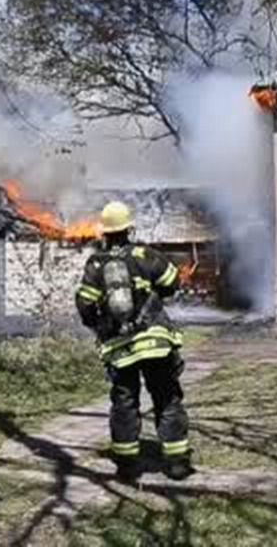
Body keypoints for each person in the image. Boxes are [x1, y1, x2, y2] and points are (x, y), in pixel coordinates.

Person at [74, 200, 194, 483]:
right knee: (166, 398)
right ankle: (176, 463)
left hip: (120, 347)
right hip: (156, 342)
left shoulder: (96, 263)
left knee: (124, 403)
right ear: (129, 229)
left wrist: (99, 325)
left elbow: (84, 304)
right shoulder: (145, 254)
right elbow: (172, 283)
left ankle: (127, 465)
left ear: (105, 232)